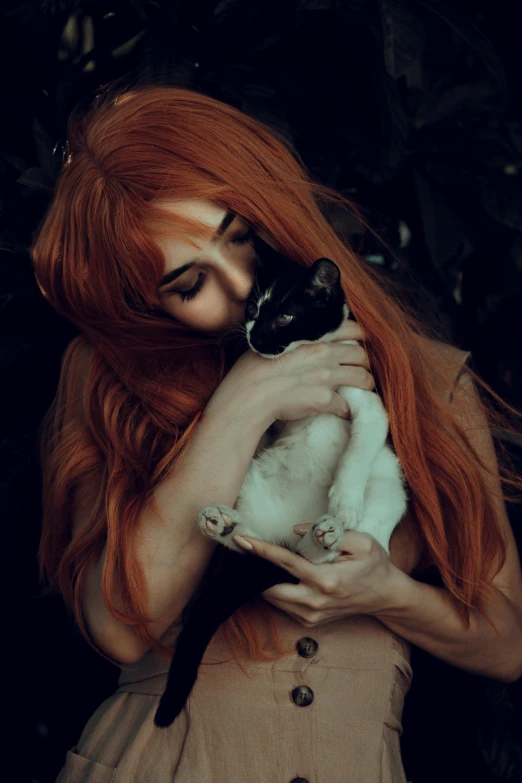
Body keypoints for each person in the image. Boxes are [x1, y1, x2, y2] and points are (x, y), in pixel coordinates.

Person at [32, 83, 522, 783]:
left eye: (241, 235)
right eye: (189, 281)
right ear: (149, 301)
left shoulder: (430, 379)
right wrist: (245, 398)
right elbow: (120, 624)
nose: (239, 286)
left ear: (275, 206)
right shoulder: (109, 380)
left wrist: (387, 592)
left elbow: (508, 642)